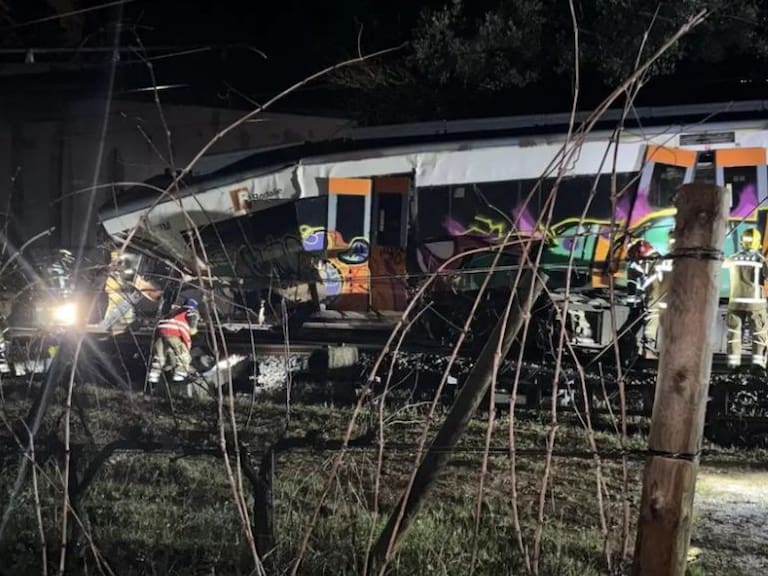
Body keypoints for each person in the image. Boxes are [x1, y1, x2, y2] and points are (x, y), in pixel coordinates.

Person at [723, 228, 768, 369]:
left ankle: (733, 364)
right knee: (759, 332)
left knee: (734, 333)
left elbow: (722, 264)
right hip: (755, 304)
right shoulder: (761, 260)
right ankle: (757, 364)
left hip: (735, 302)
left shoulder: (734, 258)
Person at [148, 298, 200, 383]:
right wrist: (193, 329)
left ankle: (154, 374)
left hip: (161, 332)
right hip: (174, 332)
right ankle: (180, 373)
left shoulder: (173, 312)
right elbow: (192, 323)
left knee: (159, 356)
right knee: (183, 354)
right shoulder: (190, 311)